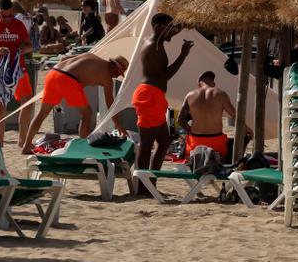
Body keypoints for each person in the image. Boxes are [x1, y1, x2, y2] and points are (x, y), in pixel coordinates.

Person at [17, 53, 129, 152]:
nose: (118, 76)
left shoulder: (91, 56)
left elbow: (64, 59)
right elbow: (111, 105)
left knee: (42, 114)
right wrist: (120, 127)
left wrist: (63, 87)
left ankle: (27, 145)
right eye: (120, 73)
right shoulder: (107, 77)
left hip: (53, 74)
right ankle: (83, 146)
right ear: (114, 67)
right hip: (67, 79)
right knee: (87, 113)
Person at [133, 13, 194, 175]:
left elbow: (173, 31)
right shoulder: (153, 47)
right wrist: (183, 55)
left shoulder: (158, 42)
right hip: (149, 97)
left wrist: (185, 23)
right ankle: (143, 185)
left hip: (155, 96)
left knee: (165, 142)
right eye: (168, 29)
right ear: (158, 27)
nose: (171, 32)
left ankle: (150, 180)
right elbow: (165, 75)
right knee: (146, 146)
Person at [0, 0, 34, 147]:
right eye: (4, 16)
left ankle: (22, 140)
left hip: (18, 69)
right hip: (0, 73)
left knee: (27, 104)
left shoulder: (18, 25)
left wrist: (24, 49)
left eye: (10, 15)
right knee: (1, 107)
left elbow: (29, 45)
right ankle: (0, 142)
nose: (7, 19)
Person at [177, 70, 242, 164]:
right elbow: (236, 116)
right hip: (216, 142)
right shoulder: (221, 94)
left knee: (189, 156)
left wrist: (190, 130)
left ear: (199, 84)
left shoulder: (190, 95)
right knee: (227, 152)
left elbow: (180, 120)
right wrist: (247, 129)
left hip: (195, 143)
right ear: (213, 83)